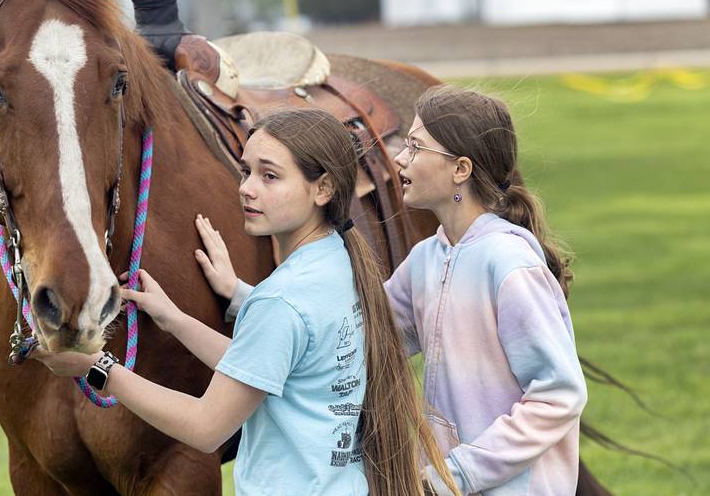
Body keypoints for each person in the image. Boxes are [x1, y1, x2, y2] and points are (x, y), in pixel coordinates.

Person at [30, 108, 458, 496]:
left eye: (269, 176)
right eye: (246, 171)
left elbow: (207, 426)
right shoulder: (338, 263)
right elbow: (262, 368)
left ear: (323, 188)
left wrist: (100, 370)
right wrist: (174, 319)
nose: (247, 189)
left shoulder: (282, 299)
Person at [202, 86, 588, 495]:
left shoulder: (510, 265)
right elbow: (355, 330)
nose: (400, 158)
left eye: (416, 148)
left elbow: (558, 396)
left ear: (460, 169)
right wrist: (244, 296)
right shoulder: (427, 258)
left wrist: (452, 474)